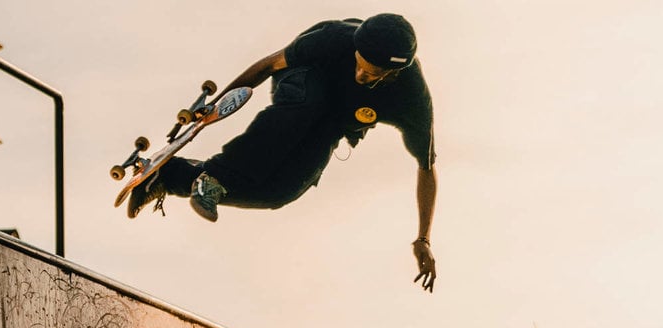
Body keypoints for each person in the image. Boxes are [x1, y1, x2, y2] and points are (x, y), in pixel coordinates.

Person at [127, 13, 439, 292]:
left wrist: (423, 238)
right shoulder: (332, 39)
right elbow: (266, 66)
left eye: (371, 75)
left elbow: (426, 168)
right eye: (358, 64)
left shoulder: (412, 100)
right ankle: (217, 177)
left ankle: (168, 178)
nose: (360, 74)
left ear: (393, 74)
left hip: (333, 122)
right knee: (309, 103)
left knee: (282, 190)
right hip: (302, 82)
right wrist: (215, 110)